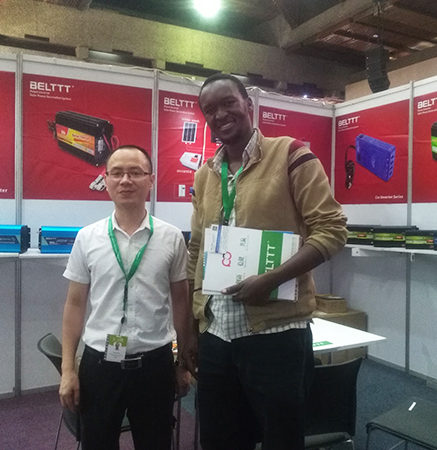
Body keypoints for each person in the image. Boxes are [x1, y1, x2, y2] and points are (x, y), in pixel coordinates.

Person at [188, 74, 348, 450]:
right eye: (209, 109)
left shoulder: (291, 155)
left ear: (248, 104)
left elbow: (332, 230)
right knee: (219, 441)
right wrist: (192, 327)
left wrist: (271, 279)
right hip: (217, 334)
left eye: (228, 103)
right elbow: (197, 250)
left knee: (280, 440)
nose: (220, 114)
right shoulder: (205, 175)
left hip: (276, 334)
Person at [59, 145, 195, 450]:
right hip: (100, 365)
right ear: (105, 180)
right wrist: (68, 370)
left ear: (151, 180)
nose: (125, 180)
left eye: (135, 173)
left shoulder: (171, 237)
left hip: (156, 364)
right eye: (117, 173)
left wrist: (183, 363)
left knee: (156, 443)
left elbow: (181, 302)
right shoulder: (88, 237)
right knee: (97, 443)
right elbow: (75, 304)